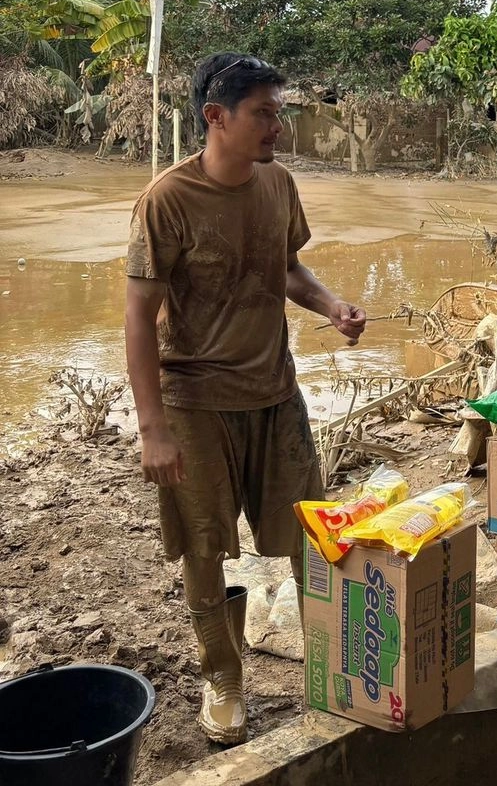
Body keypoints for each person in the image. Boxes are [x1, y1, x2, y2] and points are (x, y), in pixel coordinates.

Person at [124, 52, 367, 745]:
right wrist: (152, 429)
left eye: (279, 112)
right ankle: (222, 676)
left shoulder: (278, 184)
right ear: (216, 117)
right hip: (195, 402)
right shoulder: (166, 200)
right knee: (205, 545)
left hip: (275, 392)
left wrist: (330, 306)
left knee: (312, 529)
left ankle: (338, 656)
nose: (278, 128)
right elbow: (139, 316)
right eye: (264, 113)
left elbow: (286, 266)